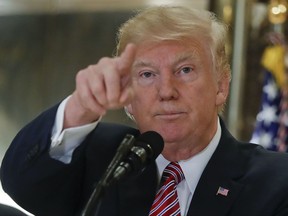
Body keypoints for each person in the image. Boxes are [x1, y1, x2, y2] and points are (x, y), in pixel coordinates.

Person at [1, 5, 288, 216]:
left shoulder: (276, 181)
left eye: (185, 70)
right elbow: (23, 186)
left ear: (221, 86)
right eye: (147, 75)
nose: (166, 91)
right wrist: (80, 107)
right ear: (127, 97)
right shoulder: (100, 156)